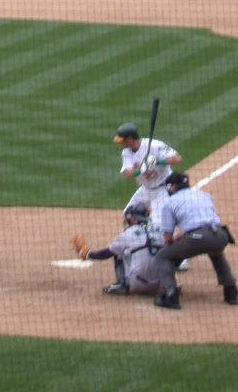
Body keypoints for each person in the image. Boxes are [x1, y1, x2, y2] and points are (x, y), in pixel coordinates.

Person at [154, 172, 238, 310]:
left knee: (163, 256)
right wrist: (187, 232)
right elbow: (203, 219)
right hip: (220, 235)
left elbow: (167, 238)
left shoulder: (169, 202)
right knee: (216, 253)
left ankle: (171, 295)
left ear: (173, 186)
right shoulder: (204, 195)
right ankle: (231, 292)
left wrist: (178, 240)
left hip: (196, 239)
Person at [113, 122, 189, 271]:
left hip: (162, 189)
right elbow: (129, 173)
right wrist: (141, 169)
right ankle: (138, 246)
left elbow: (177, 158)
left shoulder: (155, 145)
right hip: (145, 188)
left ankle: (180, 259)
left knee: (161, 225)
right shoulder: (126, 151)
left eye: (122, 140)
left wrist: (158, 161)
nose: (120, 143)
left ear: (130, 138)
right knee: (128, 213)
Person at [71, 203, 165, 295]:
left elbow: (108, 253)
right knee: (167, 250)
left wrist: (88, 254)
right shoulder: (161, 229)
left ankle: (122, 284)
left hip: (139, 282)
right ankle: (171, 285)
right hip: (162, 282)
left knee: (120, 251)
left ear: (134, 218)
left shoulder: (128, 233)